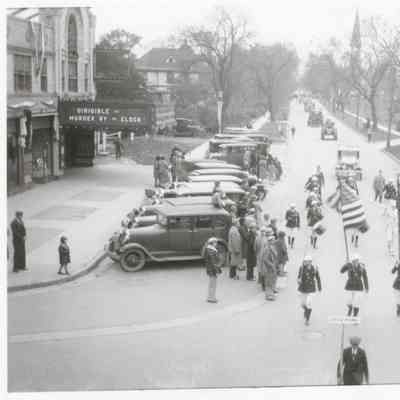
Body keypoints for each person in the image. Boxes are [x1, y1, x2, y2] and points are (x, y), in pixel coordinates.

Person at [297, 255, 322, 325]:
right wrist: (298, 280)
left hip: (311, 288)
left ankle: (307, 319)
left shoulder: (314, 269)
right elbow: (299, 277)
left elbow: (318, 278)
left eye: (308, 262)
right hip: (303, 288)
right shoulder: (301, 268)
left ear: (311, 262)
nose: (307, 263)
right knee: (302, 304)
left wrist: (319, 287)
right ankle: (306, 310)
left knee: (309, 303)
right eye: (305, 262)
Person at [261, 229, 278, 300]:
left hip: (272, 268)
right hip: (268, 268)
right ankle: (268, 295)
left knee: (272, 281)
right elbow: (265, 259)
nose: (274, 241)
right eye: (273, 240)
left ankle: (271, 294)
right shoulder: (267, 249)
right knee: (268, 282)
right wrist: (271, 265)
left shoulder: (272, 247)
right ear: (270, 241)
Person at [204, 237, 222, 303]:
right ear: (212, 243)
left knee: (212, 283)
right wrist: (217, 271)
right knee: (213, 284)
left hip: (210, 269)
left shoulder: (210, 249)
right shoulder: (211, 251)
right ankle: (211, 298)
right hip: (212, 270)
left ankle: (210, 296)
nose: (216, 244)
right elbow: (214, 263)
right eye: (215, 242)